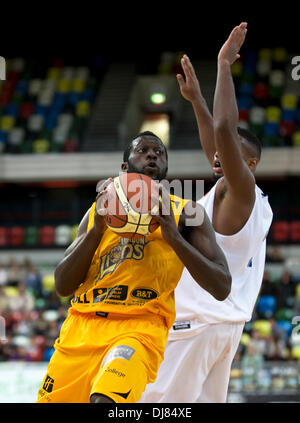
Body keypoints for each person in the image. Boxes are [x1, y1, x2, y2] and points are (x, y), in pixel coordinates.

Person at [37, 131, 231, 403]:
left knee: (106, 401)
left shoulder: (188, 213)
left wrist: (173, 236)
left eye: (159, 152)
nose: (152, 154)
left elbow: (222, 286)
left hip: (140, 327)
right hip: (81, 326)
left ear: (165, 168)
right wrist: (96, 231)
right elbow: (62, 286)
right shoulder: (99, 211)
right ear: (124, 168)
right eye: (143, 150)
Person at [140, 22, 273, 403]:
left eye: (227, 152)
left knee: (155, 407)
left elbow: (224, 128)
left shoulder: (243, 190)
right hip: (223, 328)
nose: (217, 154)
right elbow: (216, 140)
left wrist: (224, 65)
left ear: (249, 162)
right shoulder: (235, 194)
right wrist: (196, 100)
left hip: (195, 326)